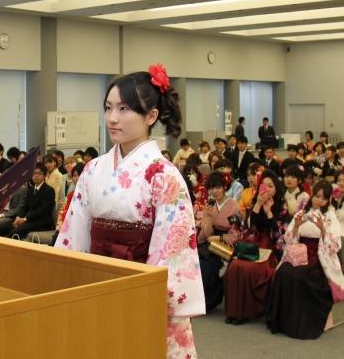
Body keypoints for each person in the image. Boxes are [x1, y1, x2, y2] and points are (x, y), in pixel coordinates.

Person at [55, 64, 204, 359]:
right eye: (109, 108)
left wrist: (147, 294)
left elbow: (170, 251)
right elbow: (75, 236)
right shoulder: (93, 169)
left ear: (151, 116)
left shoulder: (165, 175)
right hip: (95, 282)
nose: (112, 118)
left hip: (142, 289)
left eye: (124, 109)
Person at [265, 180, 344, 339]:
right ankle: (281, 322)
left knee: (300, 275)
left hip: (319, 256)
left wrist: (322, 228)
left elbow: (335, 245)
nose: (319, 200)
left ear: (328, 200)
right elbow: (288, 240)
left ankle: (299, 324)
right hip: (299, 251)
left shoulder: (330, 217)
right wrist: (296, 226)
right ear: (312, 195)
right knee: (284, 272)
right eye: (317, 196)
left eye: (323, 198)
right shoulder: (301, 213)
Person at [224, 169, 291, 325]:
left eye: (271, 186)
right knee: (235, 266)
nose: (267, 190)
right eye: (264, 186)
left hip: (271, 248)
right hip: (254, 244)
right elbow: (246, 230)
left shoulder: (282, 207)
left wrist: (269, 212)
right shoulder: (256, 203)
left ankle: (246, 312)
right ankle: (234, 311)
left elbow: (280, 238)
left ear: (277, 189)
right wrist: (258, 205)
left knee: (250, 269)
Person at [197, 171, 243, 313]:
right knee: (196, 263)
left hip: (225, 245)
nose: (215, 191)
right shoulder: (210, 207)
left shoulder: (234, 207)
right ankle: (196, 301)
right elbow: (203, 235)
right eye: (211, 188)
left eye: (218, 187)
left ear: (225, 187)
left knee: (208, 267)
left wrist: (217, 238)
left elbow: (236, 234)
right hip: (209, 243)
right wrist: (210, 218)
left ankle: (208, 301)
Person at [7, 162, 55, 239]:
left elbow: (42, 210)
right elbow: (25, 207)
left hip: (42, 222)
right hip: (30, 220)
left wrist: (25, 219)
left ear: (45, 176)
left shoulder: (49, 190)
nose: (36, 176)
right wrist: (19, 217)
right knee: (6, 227)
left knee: (14, 232)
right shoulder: (30, 190)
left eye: (39, 173)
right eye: (34, 173)